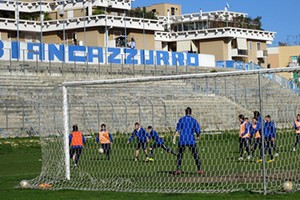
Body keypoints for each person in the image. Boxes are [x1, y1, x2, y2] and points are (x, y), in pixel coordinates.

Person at [173, 107, 204, 175]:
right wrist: (198, 136)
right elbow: (198, 130)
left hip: (182, 140)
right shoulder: (193, 120)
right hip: (191, 140)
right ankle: (199, 170)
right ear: (191, 112)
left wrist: (174, 138)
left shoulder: (181, 119)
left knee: (180, 155)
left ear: (185, 112)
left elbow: (177, 129)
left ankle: (178, 169)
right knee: (195, 155)